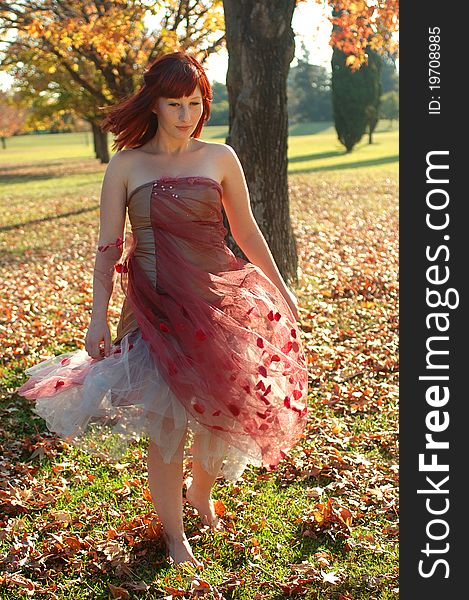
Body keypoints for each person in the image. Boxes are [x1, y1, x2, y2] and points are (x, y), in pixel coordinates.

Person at [16, 51, 308, 568]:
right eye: (174, 103)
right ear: (154, 105)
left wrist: (280, 289)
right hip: (153, 306)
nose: (185, 114)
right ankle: (175, 535)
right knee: (167, 426)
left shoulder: (220, 157)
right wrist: (97, 315)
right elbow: (109, 245)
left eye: (195, 102)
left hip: (216, 302)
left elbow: (245, 232)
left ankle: (201, 492)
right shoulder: (127, 165)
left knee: (221, 413)